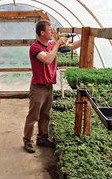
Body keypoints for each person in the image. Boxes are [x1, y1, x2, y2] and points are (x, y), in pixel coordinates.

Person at [23, 20, 81, 153]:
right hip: (38, 88)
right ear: (42, 33)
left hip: (49, 87)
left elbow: (70, 47)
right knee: (33, 116)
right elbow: (48, 59)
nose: (53, 32)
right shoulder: (35, 47)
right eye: (50, 30)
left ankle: (42, 138)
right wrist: (57, 44)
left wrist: (85, 39)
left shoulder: (50, 45)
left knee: (45, 114)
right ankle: (27, 141)